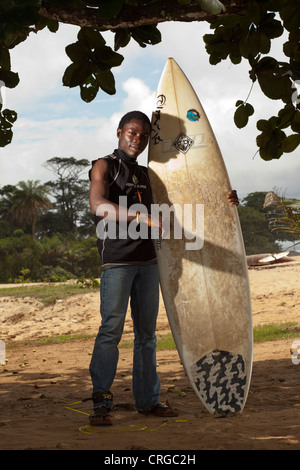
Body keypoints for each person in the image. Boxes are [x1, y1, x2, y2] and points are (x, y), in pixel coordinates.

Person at [88, 110, 239, 426]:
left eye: (143, 136)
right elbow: (98, 205)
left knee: (147, 335)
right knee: (110, 330)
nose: (138, 140)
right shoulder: (104, 166)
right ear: (119, 132)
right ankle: (102, 401)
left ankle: (147, 400)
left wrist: (223, 199)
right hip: (117, 262)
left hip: (149, 262)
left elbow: (185, 199)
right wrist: (142, 217)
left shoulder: (148, 174)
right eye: (132, 133)